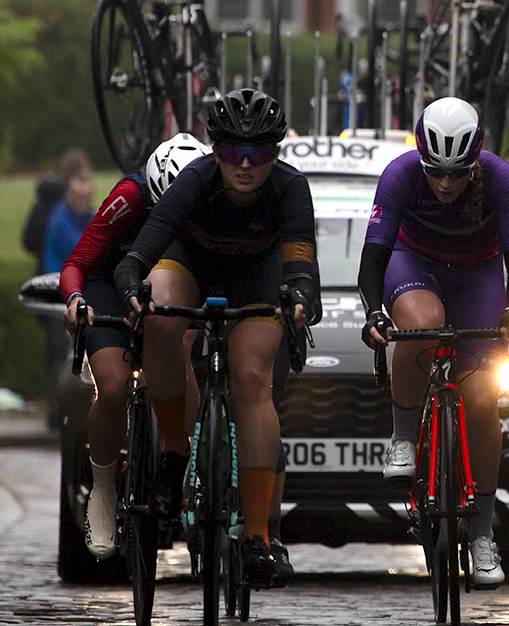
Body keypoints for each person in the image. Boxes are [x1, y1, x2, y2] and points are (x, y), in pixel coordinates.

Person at [115, 89, 320, 589]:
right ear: (214, 152)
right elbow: (144, 247)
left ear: (277, 153)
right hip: (194, 264)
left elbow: (300, 265)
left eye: (259, 152)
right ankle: (175, 455)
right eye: (231, 151)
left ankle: (257, 538)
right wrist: (129, 283)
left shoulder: (291, 188)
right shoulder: (196, 181)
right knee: (161, 321)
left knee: (251, 378)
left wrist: (300, 298)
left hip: (258, 273)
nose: (245, 164)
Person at [358, 98, 509, 590]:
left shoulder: (499, 178)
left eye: (458, 173)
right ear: (422, 158)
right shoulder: (399, 175)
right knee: (424, 325)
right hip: (415, 265)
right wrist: (374, 312)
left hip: (477, 275)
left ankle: (481, 533)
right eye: (436, 171)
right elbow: (372, 261)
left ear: (476, 160)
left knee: (481, 400)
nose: (446, 183)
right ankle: (404, 437)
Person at [60, 134, 209, 559]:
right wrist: (75, 301)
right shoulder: (130, 195)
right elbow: (77, 262)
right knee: (111, 386)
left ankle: (194, 472)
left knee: (179, 350)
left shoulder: (211, 198)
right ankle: (103, 490)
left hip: (170, 288)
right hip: (110, 286)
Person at [23, 148, 92, 275]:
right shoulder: (60, 216)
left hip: (44, 271)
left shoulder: (45, 203)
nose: (88, 188)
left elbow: (28, 241)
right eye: (84, 179)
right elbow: (84, 253)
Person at [43, 170, 95, 274]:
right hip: (60, 283)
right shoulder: (59, 219)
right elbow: (81, 252)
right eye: (78, 196)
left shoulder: (90, 216)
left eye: (87, 196)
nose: (83, 202)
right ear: (69, 193)